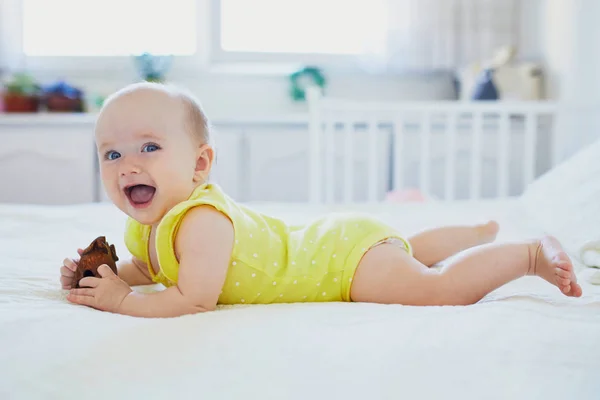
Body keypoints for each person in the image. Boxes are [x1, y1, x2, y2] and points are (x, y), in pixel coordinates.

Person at [59, 82, 582, 318]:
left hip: (339, 266)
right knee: (401, 250)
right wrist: (104, 280)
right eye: (111, 155)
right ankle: (471, 235)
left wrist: (123, 304)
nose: (128, 165)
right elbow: (151, 268)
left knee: (435, 288)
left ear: (200, 164)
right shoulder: (145, 226)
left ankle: (527, 253)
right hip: (337, 240)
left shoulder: (201, 221)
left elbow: (193, 298)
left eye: (149, 147)